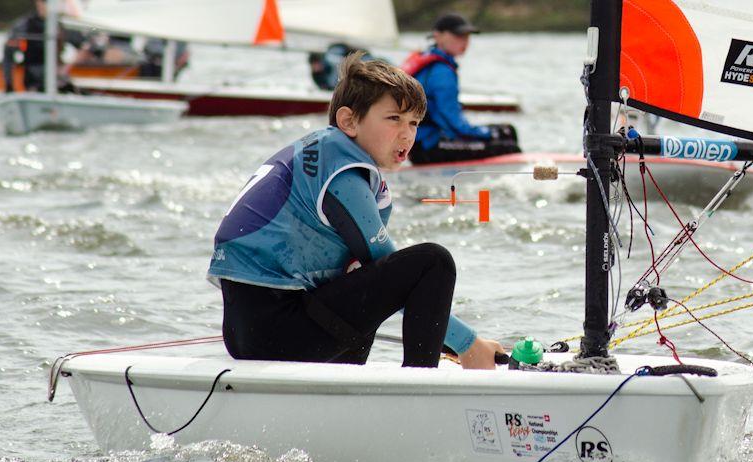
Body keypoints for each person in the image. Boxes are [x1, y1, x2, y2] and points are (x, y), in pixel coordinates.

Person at [207, 52, 502, 369]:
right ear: (349, 121)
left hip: (251, 330)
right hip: (278, 330)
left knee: (362, 275)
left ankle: (350, 386)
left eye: (414, 123)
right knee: (432, 263)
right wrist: (467, 344)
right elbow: (390, 265)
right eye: (394, 119)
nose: (408, 134)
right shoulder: (342, 173)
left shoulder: (324, 152)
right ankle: (421, 388)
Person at [402, 13, 520, 164]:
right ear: (438, 36)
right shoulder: (441, 71)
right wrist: (486, 134)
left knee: (507, 131)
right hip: (428, 147)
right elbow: (452, 122)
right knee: (508, 146)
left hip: (421, 143)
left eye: (467, 36)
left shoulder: (430, 61)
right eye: (458, 35)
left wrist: (484, 134)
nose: (464, 41)